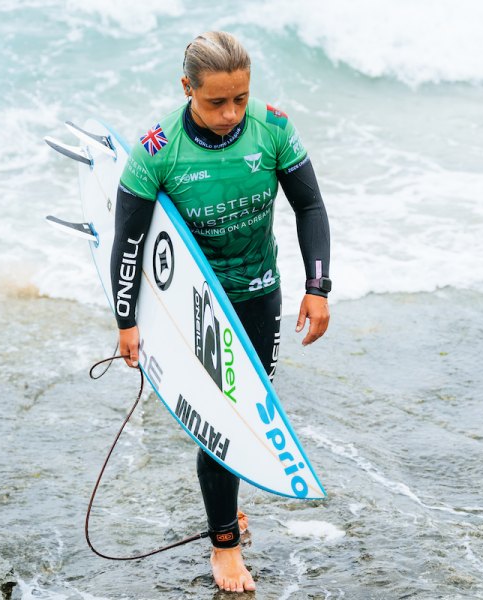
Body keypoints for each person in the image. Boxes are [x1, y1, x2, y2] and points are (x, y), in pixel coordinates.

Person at [109, 31, 332, 593]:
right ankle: (224, 545)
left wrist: (318, 286)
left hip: (258, 291)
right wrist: (126, 320)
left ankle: (225, 505)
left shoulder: (272, 129)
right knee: (222, 421)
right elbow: (129, 243)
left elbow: (309, 205)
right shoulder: (158, 151)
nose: (231, 114)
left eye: (240, 98)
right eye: (216, 102)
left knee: (250, 409)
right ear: (187, 87)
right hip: (193, 301)